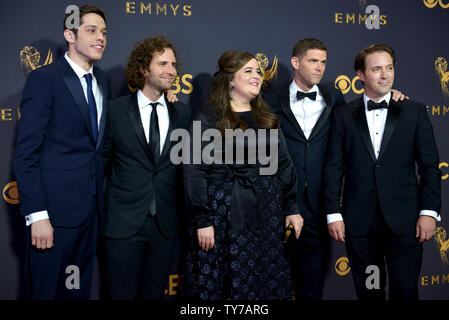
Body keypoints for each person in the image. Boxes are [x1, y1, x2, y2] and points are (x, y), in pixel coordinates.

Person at [265, 38, 407, 300]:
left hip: (320, 203)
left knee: (313, 280)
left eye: (323, 62)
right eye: (312, 61)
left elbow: (359, 122)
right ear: (296, 62)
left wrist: (393, 97)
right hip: (279, 201)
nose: (319, 68)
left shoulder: (335, 99)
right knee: (273, 276)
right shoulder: (269, 99)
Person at [323, 44, 441, 300]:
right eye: (377, 69)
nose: (385, 75)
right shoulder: (342, 115)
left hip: (406, 223)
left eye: (389, 68)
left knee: (405, 293)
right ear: (360, 75)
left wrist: (429, 212)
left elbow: (430, 166)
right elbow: (334, 167)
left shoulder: (414, 111)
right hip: (361, 226)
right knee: (370, 292)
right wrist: (333, 213)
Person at [182, 50, 303, 300]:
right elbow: (194, 171)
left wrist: (292, 207)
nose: (256, 75)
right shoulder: (208, 118)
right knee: (224, 283)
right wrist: (203, 220)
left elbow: (284, 164)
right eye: (248, 71)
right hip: (223, 216)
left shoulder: (267, 117)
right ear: (230, 81)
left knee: (263, 282)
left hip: (266, 215)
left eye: (257, 71)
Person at [13, 5, 110, 299]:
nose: (100, 38)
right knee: (46, 293)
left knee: (76, 291)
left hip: (90, 215)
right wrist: (37, 215)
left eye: (104, 32)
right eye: (91, 31)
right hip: (53, 216)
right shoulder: (45, 78)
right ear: (70, 34)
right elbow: (26, 153)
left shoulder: (103, 80)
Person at [101, 36, 191, 300]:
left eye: (173, 64)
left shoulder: (182, 114)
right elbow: (101, 164)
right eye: (163, 63)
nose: (172, 71)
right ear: (143, 68)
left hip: (164, 226)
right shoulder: (114, 111)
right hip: (122, 224)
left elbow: (184, 170)